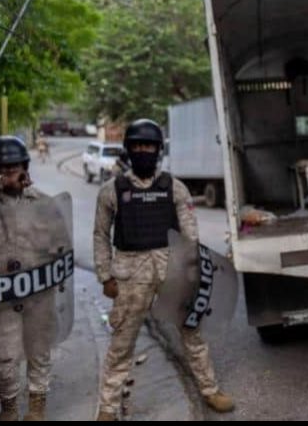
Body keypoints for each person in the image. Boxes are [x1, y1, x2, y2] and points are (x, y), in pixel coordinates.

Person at [94, 119, 234, 421]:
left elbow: (190, 234)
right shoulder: (111, 190)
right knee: (122, 342)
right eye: (138, 146)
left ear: (158, 150)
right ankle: (107, 407)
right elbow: (100, 235)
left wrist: (193, 271)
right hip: (130, 274)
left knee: (192, 332)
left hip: (171, 269)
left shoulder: (175, 187)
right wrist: (104, 275)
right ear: (128, 150)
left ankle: (209, 390)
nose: (143, 151)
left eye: (149, 146)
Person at [0, 136, 55, 420]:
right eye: (1, 168)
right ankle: (9, 407)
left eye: (15, 166)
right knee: (3, 357)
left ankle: (37, 406)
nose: (10, 172)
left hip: (37, 292)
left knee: (39, 351)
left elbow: (59, 246)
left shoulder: (43, 202)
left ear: (26, 166)